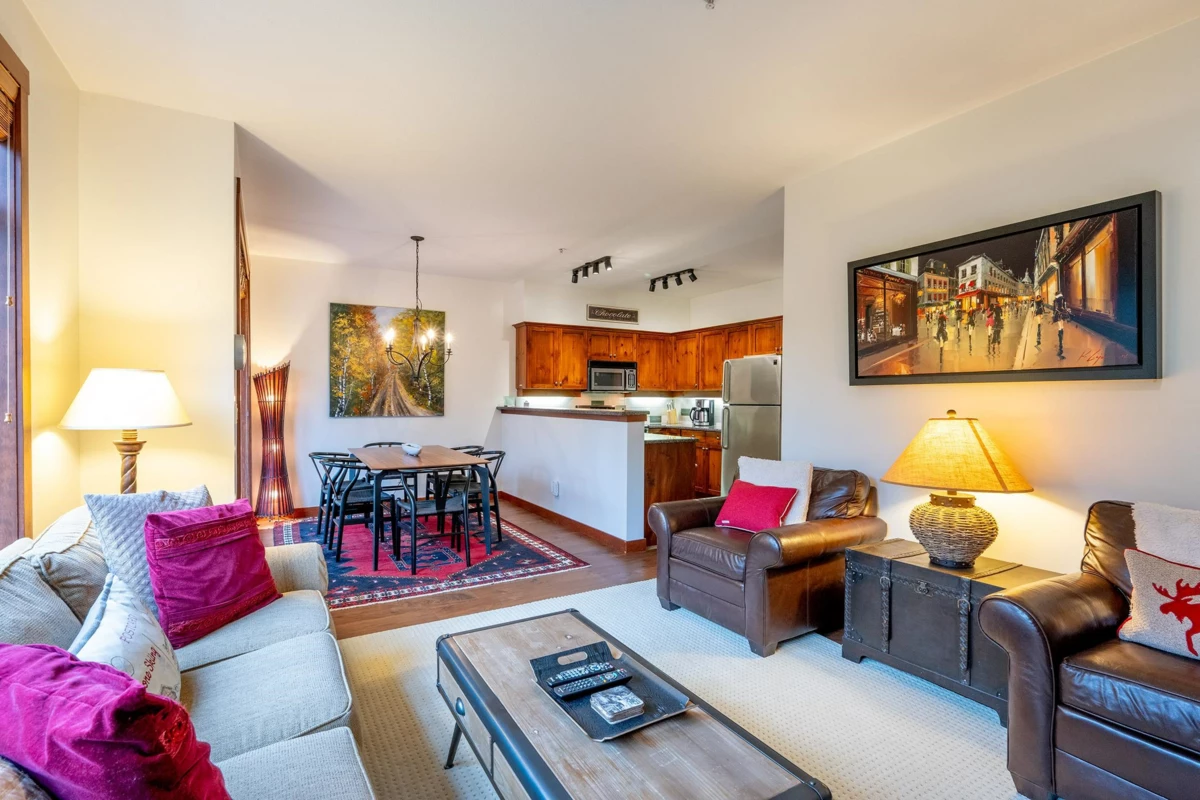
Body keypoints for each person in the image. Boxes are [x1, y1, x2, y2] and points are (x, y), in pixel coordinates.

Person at [1053, 291, 1069, 359]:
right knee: (1062, 327)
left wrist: (1054, 316)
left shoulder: (1055, 300)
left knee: (1059, 328)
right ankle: (1061, 343)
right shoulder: (1063, 298)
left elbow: (1055, 309)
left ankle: (1060, 347)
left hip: (1058, 314)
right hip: (1063, 314)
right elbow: (1065, 307)